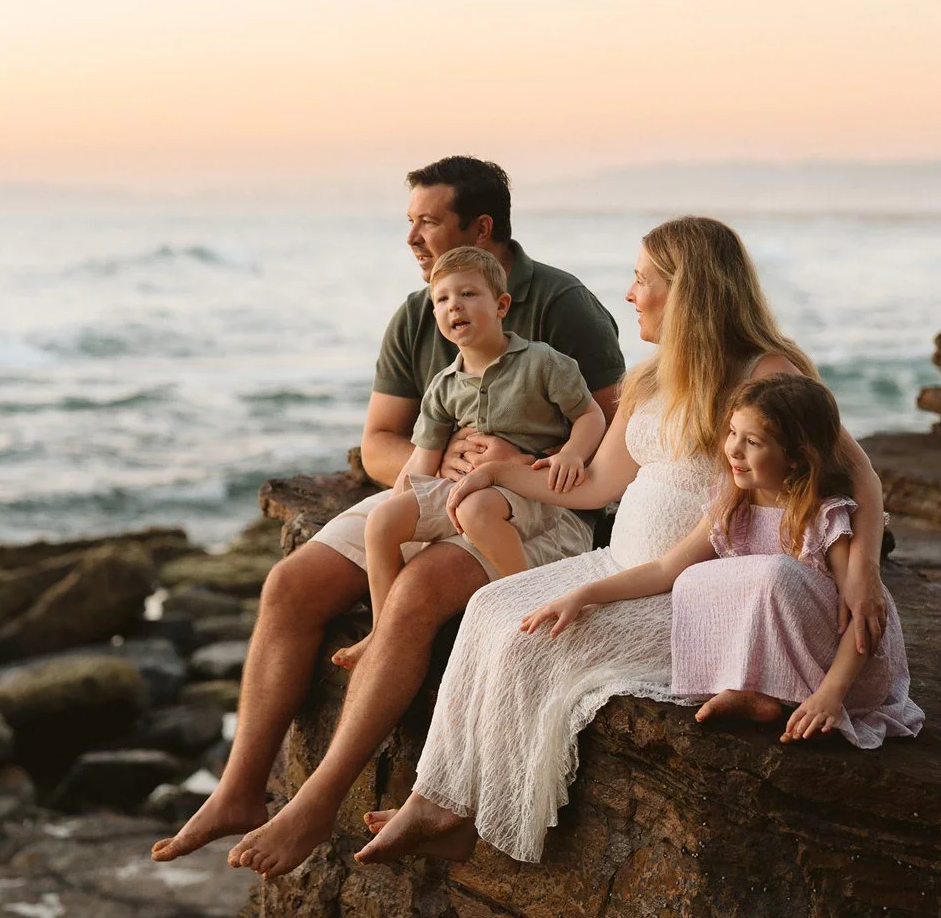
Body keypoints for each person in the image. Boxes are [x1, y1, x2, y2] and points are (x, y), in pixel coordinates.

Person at [356, 216, 894, 868]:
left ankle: (462, 814)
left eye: (642, 279)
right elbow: (595, 484)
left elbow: (854, 468)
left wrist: (862, 567)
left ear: (687, 290)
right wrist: (502, 471)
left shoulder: (766, 369)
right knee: (489, 610)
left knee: (537, 646)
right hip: (625, 561)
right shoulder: (648, 377)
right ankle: (437, 796)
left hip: (696, 588)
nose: (630, 292)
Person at [150, 156, 624, 866]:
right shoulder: (418, 311)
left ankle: (315, 803)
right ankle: (240, 789)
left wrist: (513, 463)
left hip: (532, 506)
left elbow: (618, 436)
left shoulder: (562, 305)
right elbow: (378, 442)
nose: (411, 237)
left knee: (416, 592)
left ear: (481, 226)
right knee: (290, 584)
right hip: (431, 485)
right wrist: (432, 462)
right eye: (409, 221)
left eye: (427, 221)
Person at [517, 372, 922, 748]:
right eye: (732, 432)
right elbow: (665, 570)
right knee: (694, 579)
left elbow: (861, 617)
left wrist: (832, 695)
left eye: (753, 442)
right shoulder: (731, 505)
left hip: (845, 665)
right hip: (793, 650)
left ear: (797, 456)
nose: (733, 449)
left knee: (774, 574)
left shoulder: (822, 514)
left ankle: (789, 691)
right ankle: (755, 692)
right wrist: (583, 595)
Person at [341, 244, 608, 672]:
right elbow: (422, 465)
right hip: (463, 486)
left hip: (529, 488)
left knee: (476, 507)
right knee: (382, 522)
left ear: (501, 304)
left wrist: (573, 454)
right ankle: (379, 630)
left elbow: (590, 416)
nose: (454, 306)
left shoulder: (542, 362)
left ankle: (522, 604)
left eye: (468, 294)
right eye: (442, 299)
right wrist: (403, 505)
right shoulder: (444, 385)